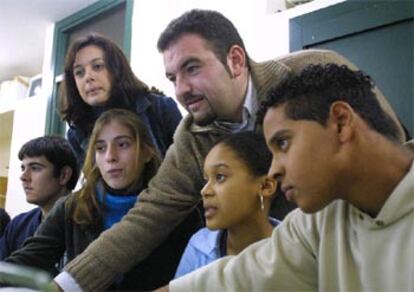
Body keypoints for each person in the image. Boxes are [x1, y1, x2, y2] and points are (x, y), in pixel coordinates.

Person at [58, 10, 408, 291]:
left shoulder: (316, 73)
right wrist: (64, 285)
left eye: (191, 68)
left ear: (236, 60)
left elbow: (385, 154)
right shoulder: (193, 136)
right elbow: (150, 217)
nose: (181, 89)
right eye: (171, 78)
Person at [165, 63, 414, 291]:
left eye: (283, 143)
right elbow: (233, 279)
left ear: (340, 122)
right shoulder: (316, 223)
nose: (274, 171)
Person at [5, 109, 202, 290]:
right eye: (100, 148)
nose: (110, 156)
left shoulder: (178, 211)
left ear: (147, 152)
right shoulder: (70, 208)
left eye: (123, 144)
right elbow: (27, 261)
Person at [59, 34, 182, 165]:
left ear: (116, 69)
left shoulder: (160, 107)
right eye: (79, 72)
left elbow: (188, 168)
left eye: (97, 66)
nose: (88, 77)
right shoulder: (77, 132)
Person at [175, 131, 280, 278]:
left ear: (265, 186)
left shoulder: (295, 249)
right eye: (206, 180)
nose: (205, 191)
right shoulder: (199, 246)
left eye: (220, 177)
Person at [0, 136, 79, 260]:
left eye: (35, 168)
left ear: (64, 175)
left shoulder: (87, 224)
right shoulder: (18, 225)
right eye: (23, 168)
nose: (23, 177)